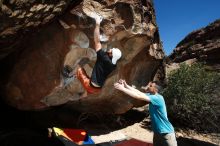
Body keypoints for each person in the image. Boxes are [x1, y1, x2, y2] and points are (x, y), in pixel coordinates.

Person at [114, 79, 177, 146]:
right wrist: (126, 85)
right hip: (157, 133)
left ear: (156, 89)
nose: (148, 86)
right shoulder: (151, 95)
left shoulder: (157, 98)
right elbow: (138, 92)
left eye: (151, 85)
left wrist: (122, 89)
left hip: (167, 134)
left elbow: (138, 96)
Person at [75, 13, 122, 98]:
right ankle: (84, 95)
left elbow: (97, 41)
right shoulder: (113, 65)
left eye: (111, 50)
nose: (110, 49)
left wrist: (97, 23)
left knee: (78, 68)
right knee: (89, 89)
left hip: (90, 85)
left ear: (111, 54)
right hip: (98, 88)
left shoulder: (104, 58)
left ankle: (68, 73)